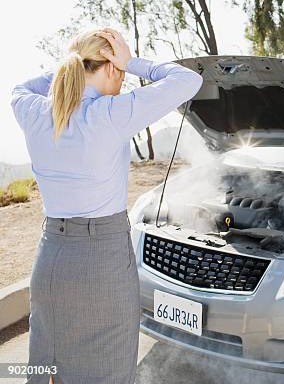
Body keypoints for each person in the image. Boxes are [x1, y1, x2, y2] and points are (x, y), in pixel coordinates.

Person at [10, 28, 203, 384]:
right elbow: (187, 80)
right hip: (101, 262)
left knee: (47, 371)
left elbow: (18, 89)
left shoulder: (35, 112)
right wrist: (132, 61)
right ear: (111, 67)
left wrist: (73, 65)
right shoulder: (109, 113)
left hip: (51, 260)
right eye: (121, 70)